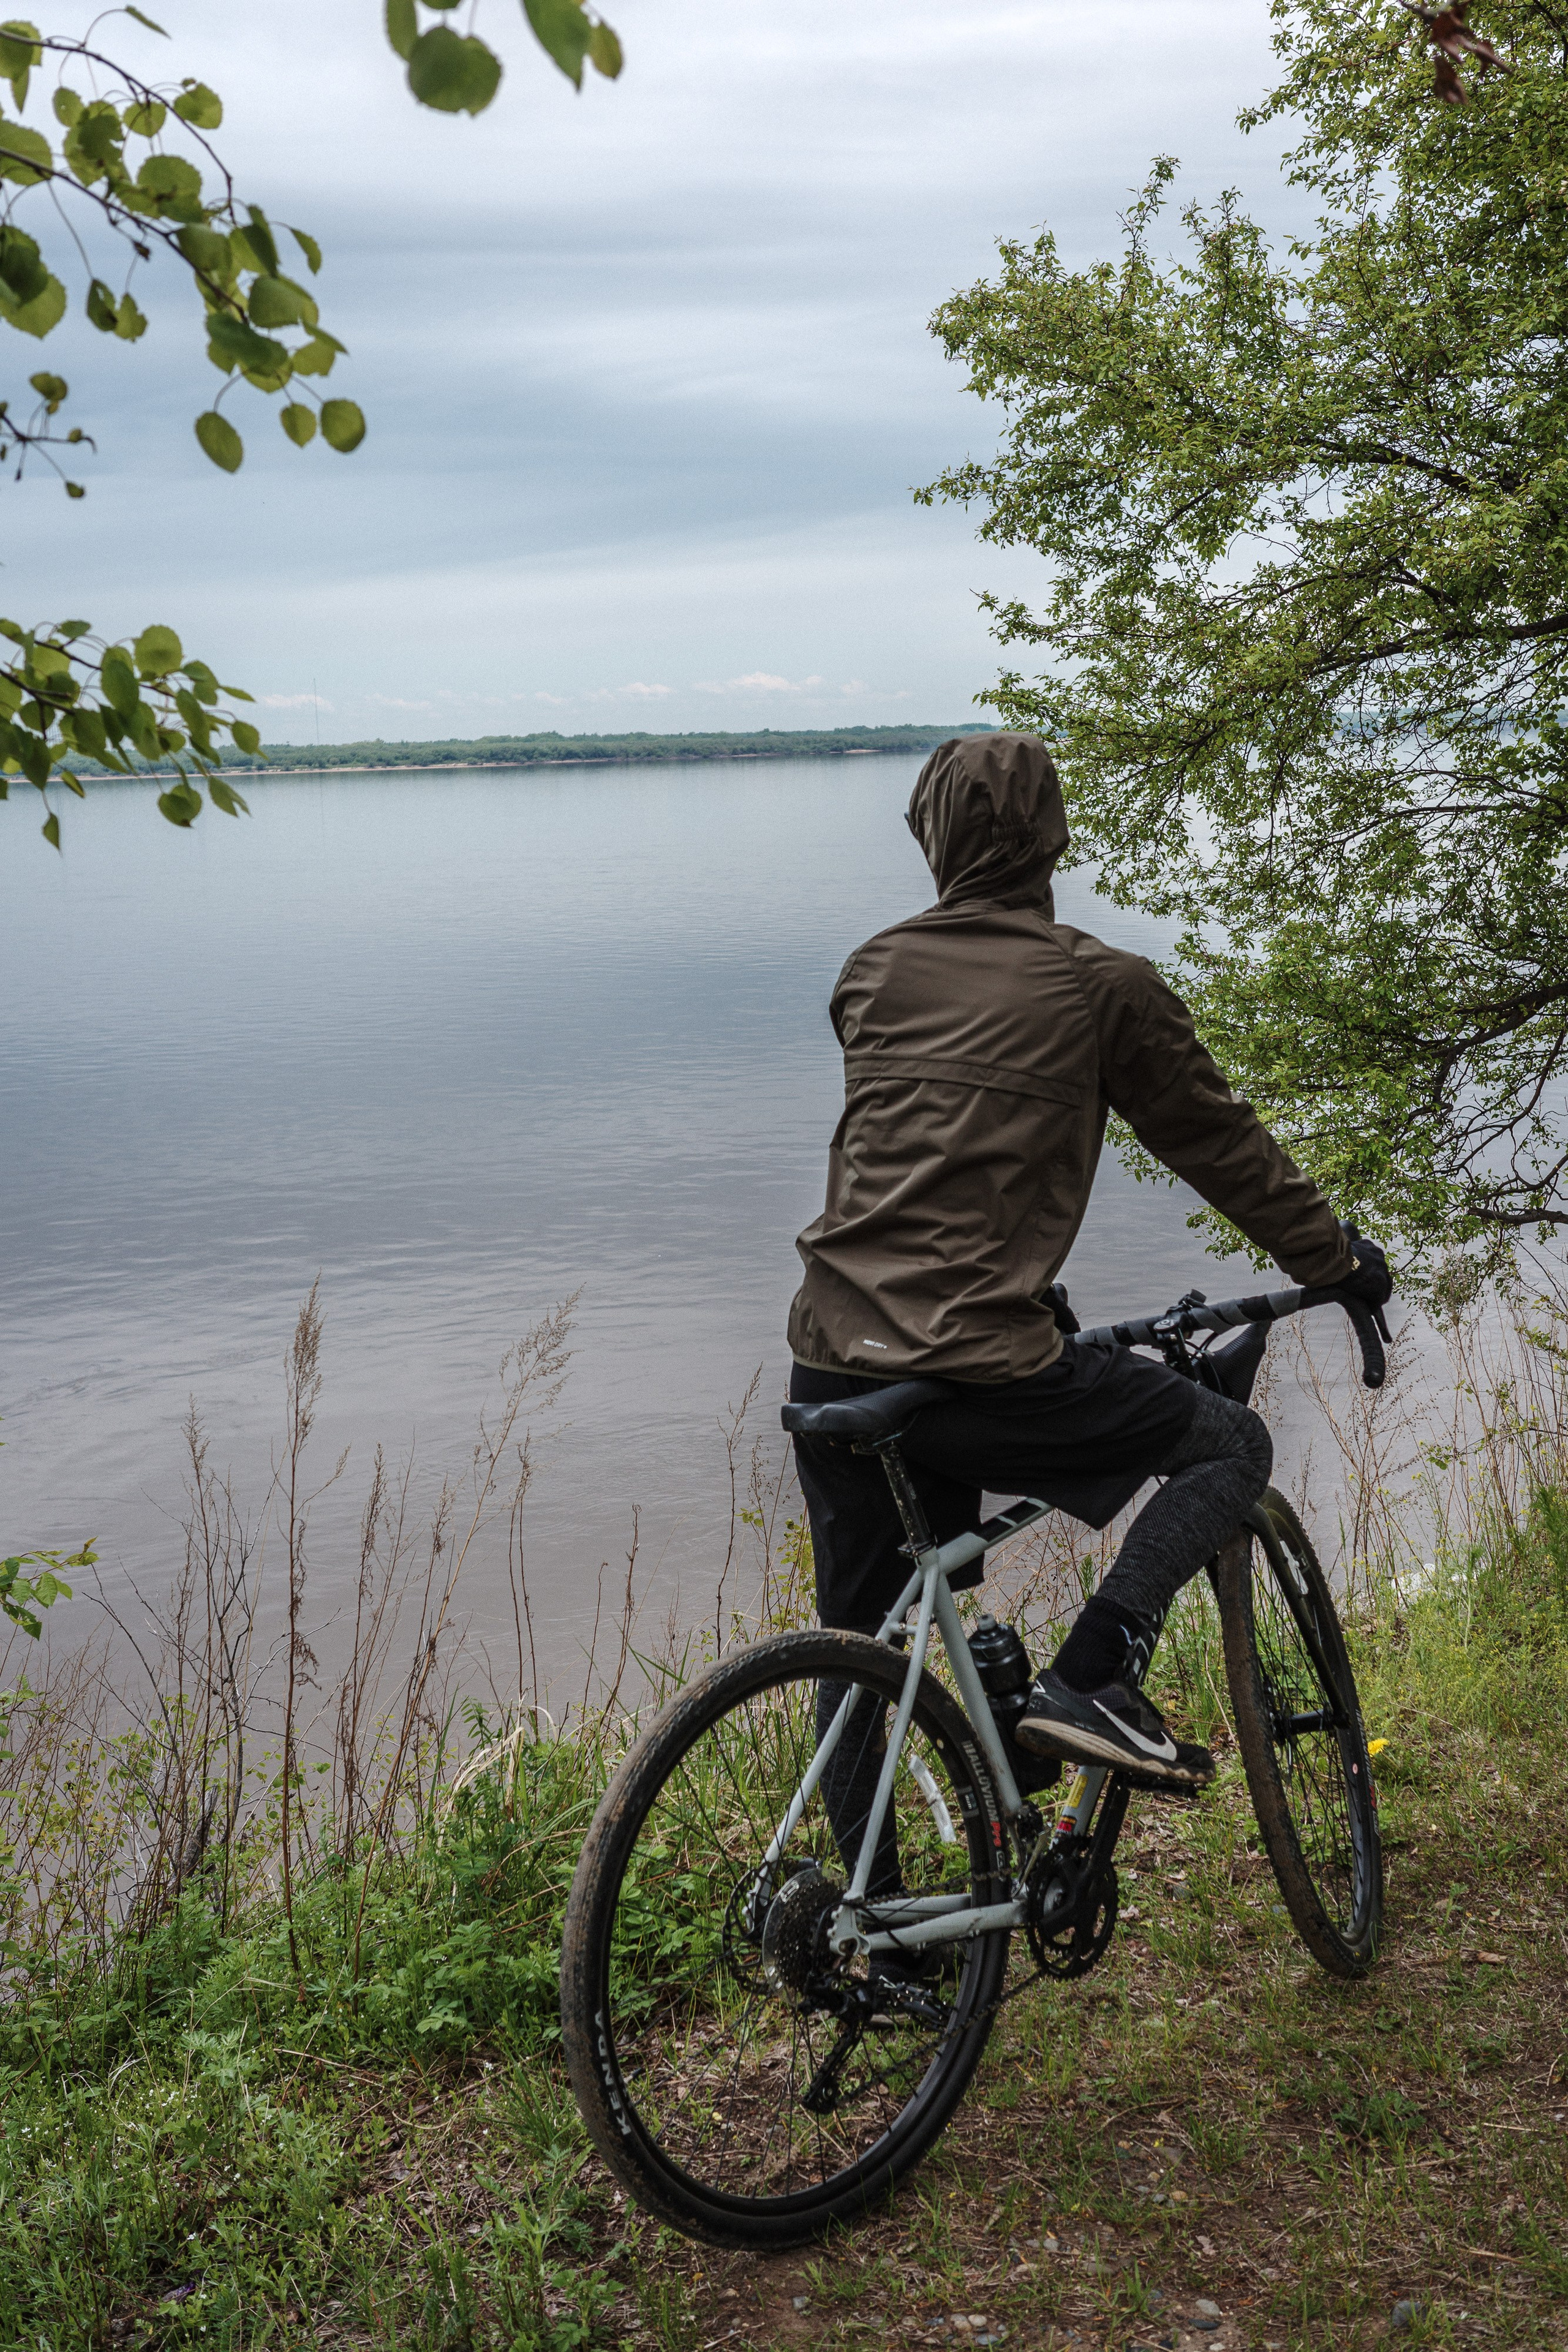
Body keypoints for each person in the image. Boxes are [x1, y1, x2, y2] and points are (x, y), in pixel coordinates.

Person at [786, 731, 1392, 1796]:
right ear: (1054, 836)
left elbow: (931, 1159)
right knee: (1230, 1447)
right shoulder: (1102, 987)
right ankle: (1097, 1675)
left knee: (865, 1642)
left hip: (833, 1351)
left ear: (930, 835)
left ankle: (865, 1939)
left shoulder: (871, 971)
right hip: (974, 1364)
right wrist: (1332, 1258)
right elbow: (1222, 1149)